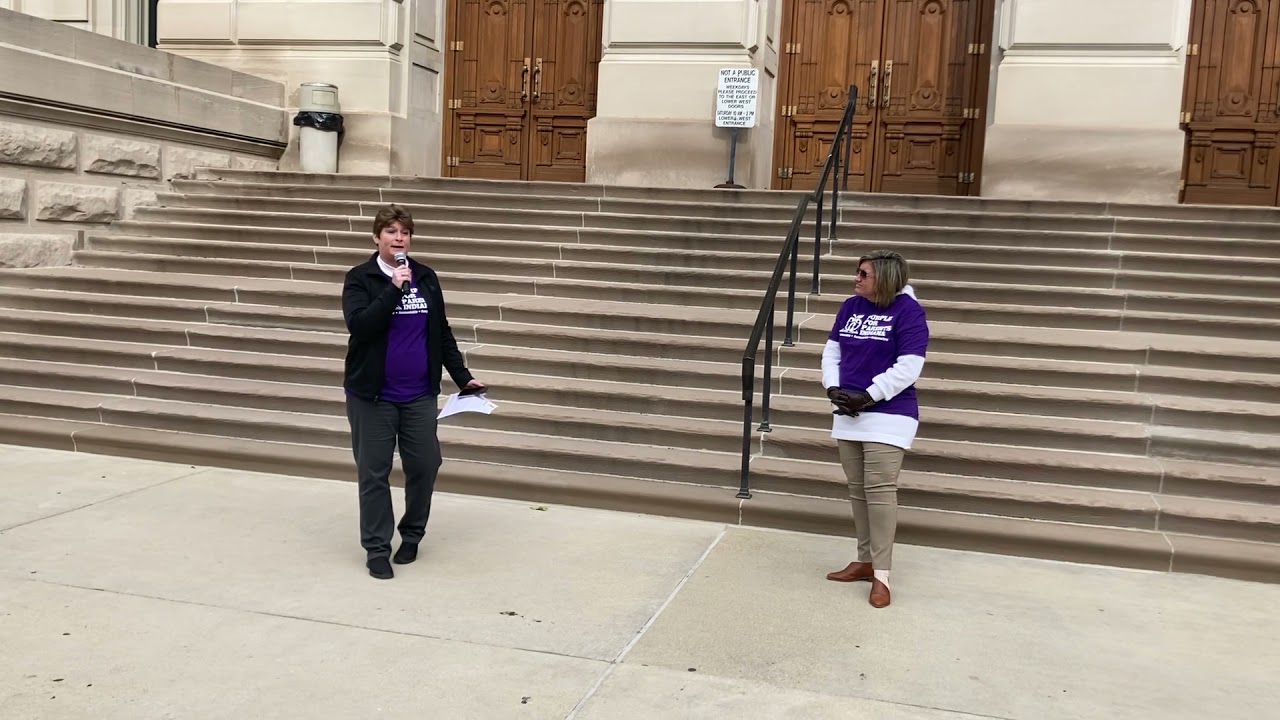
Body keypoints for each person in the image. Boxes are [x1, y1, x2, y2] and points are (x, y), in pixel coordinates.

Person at [341, 204, 485, 579]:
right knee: (374, 472)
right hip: (373, 397)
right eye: (390, 232)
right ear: (377, 238)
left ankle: (412, 535)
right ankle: (376, 548)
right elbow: (361, 326)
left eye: (404, 232)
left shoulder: (426, 276)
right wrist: (393, 289)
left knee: (425, 465)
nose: (398, 238)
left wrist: (462, 376)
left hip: (419, 394)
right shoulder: (361, 278)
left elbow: (441, 332)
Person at [821, 250, 929, 608]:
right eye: (857, 272)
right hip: (848, 410)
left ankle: (881, 574)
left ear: (883, 278)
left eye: (863, 274)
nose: (856, 278)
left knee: (880, 490)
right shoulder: (850, 306)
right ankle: (864, 559)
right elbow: (832, 351)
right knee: (857, 490)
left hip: (889, 412)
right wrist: (832, 387)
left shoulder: (908, 312)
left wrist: (869, 395)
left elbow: (909, 366)